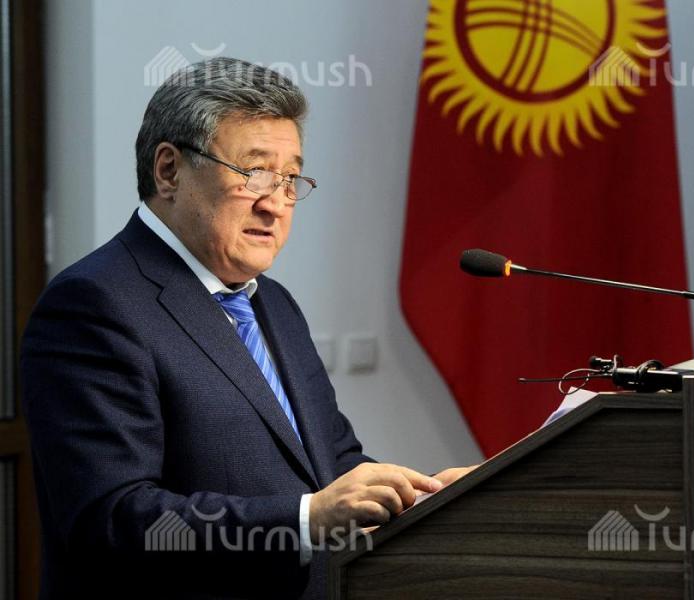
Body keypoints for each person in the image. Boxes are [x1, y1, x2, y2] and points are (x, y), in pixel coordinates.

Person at [20, 57, 473, 599]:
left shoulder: (271, 303)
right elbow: (112, 519)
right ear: (169, 171)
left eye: (290, 179)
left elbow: (331, 464)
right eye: (254, 173)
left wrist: (426, 497)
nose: (275, 204)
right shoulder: (92, 304)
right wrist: (305, 519)